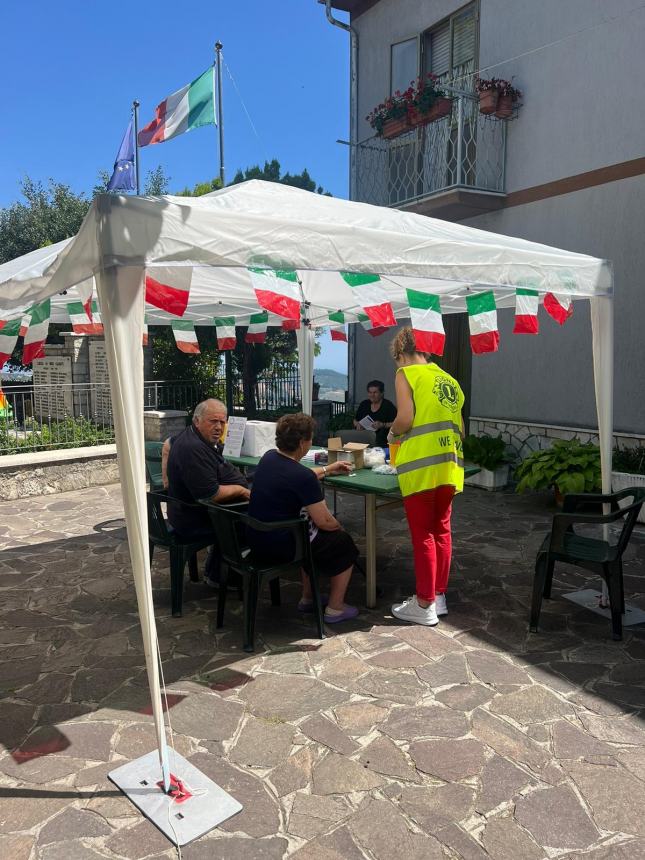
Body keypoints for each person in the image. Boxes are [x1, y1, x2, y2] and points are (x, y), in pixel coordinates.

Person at [247, 413, 360, 623]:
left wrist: (326, 469)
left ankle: (308, 598)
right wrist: (340, 527)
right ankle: (335, 608)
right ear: (302, 443)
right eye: (310, 439)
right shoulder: (303, 477)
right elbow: (324, 522)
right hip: (283, 546)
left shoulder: (269, 458)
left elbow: (295, 475)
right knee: (343, 543)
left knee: (306, 532)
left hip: (257, 539)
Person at [387, 328, 465, 627]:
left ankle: (424, 604)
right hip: (450, 466)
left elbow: (405, 418)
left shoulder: (407, 374)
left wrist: (392, 433)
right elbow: (459, 428)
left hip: (421, 467)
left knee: (423, 536)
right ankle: (438, 596)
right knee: (442, 530)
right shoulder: (450, 380)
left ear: (400, 353)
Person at [165, 399, 250, 584]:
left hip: (190, 512)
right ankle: (222, 576)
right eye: (213, 421)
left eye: (222, 422)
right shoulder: (192, 448)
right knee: (251, 518)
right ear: (197, 421)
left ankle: (216, 572)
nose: (219, 427)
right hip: (192, 519)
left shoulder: (195, 438)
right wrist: (241, 490)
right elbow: (211, 495)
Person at [353, 380, 397, 447]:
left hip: (382, 442)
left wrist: (383, 425)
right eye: (370, 392)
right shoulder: (364, 404)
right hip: (364, 441)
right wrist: (358, 425)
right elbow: (355, 420)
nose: (372, 395)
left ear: (382, 393)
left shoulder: (388, 406)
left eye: (375, 392)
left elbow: (397, 423)